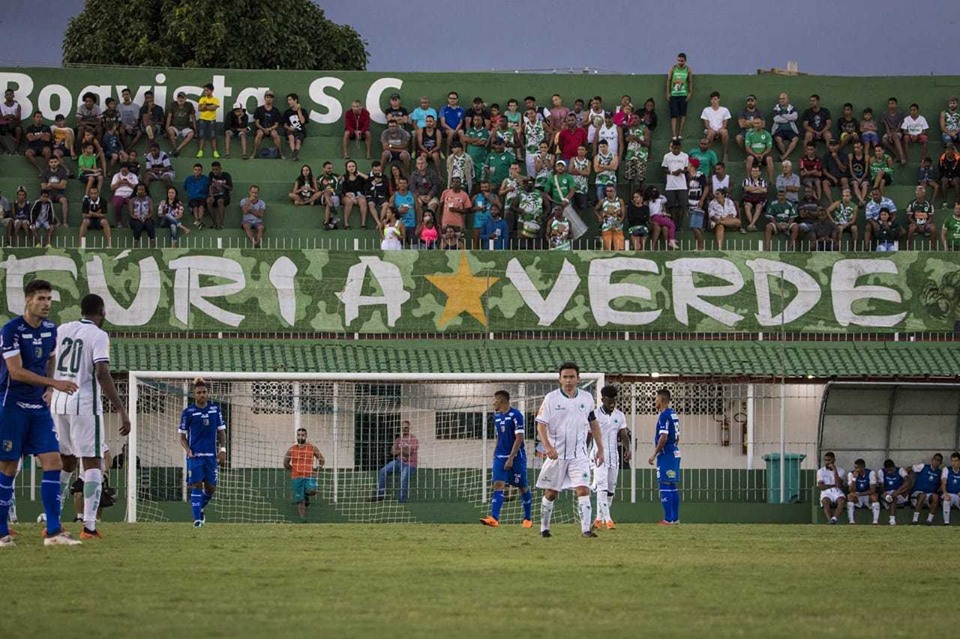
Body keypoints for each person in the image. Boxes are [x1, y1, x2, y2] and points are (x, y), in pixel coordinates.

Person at [0, 279, 81, 547]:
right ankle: (2, 532)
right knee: (9, 467)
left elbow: (50, 358)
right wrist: (54, 383)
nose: (46, 304)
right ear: (27, 300)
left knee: (54, 461)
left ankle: (53, 532)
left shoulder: (50, 329)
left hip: (38, 408)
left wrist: (47, 389)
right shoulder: (11, 330)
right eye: (41, 299)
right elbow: (15, 371)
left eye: (49, 299)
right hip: (12, 406)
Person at [49, 293, 131, 539]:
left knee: (67, 461)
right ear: (101, 312)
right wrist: (121, 409)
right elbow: (102, 372)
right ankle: (90, 527)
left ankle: (51, 520)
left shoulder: (63, 329)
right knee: (94, 462)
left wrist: (49, 388)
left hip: (58, 402)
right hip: (83, 404)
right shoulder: (98, 334)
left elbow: (50, 360)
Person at [536, 362, 604, 538]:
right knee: (551, 493)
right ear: (559, 379)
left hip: (579, 455)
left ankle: (586, 530)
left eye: (571, 377)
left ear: (578, 379)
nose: (568, 380)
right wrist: (548, 447)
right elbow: (541, 426)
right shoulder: (551, 399)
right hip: (556, 455)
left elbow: (593, 423)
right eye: (565, 377)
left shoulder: (587, 398)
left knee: (583, 489)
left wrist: (600, 448)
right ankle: (544, 528)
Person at [480, 390, 532, 528]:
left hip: (516, 458)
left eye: (495, 400)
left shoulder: (516, 415)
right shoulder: (497, 417)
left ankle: (527, 519)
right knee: (498, 484)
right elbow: (499, 437)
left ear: (502, 400)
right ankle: (494, 518)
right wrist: (495, 453)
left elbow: (519, 438)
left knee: (522, 487)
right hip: (500, 457)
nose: (493, 403)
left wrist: (511, 458)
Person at [178, 378, 227, 528]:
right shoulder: (188, 412)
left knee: (211, 488)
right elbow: (182, 436)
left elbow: (221, 432)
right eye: (199, 392)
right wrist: (188, 450)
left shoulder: (215, 410)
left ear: (208, 393)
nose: (202, 395)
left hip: (211, 456)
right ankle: (197, 520)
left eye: (204, 392)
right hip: (195, 456)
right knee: (196, 485)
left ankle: (200, 509)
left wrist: (223, 450)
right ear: (194, 394)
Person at [591, 385, 630, 530]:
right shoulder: (594, 414)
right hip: (598, 454)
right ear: (602, 400)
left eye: (614, 401)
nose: (612, 404)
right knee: (602, 486)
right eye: (609, 401)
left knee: (611, 488)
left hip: (614, 456)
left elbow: (623, 434)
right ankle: (608, 520)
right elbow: (589, 435)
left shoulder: (619, 415)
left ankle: (598, 519)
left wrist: (628, 449)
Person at [645, 388, 681, 525]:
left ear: (662, 399)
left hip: (666, 454)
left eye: (656, 398)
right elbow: (677, 437)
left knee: (664, 485)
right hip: (675, 452)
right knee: (672, 485)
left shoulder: (664, 415)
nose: (655, 400)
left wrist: (654, 454)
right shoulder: (673, 414)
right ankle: (675, 518)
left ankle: (668, 519)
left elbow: (663, 437)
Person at [283, 428, 324, 520]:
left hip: (309, 475)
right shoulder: (291, 449)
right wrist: (293, 470)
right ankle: (303, 520)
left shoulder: (312, 448)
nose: (300, 437)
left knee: (312, 491)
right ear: (297, 436)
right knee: (299, 500)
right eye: (298, 435)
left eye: (302, 435)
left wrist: (318, 469)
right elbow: (285, 463)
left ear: (306, 436)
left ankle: (306, 494)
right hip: (296, 477)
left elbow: (322, 460)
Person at [373, 421, 419, 503]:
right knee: (383, 471)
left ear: (409, 428)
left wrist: (399, 450)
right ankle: (380, 496)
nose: (404, 429)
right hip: (398, 462)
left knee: (403, 476)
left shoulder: (413, 439)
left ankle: (402, 500)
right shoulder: (398, 439)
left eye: (406, 427)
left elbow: (409, 453)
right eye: (403, 427)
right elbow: (392, 452)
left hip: (410, 464)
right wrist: (403, 450)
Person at [661, 139, 689, 231]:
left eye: (678, 148)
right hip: (670, 185)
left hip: (682, 185)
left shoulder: (685, 156)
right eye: (674, 148)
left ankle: (679, 226)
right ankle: (673, 225)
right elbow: (664, 169)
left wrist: (681, 171)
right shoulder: (667, 156)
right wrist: (672, 172)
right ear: (671, 147)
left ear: (680, 148)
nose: (676, 150)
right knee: (671, 206)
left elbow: (687, 169)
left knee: (681, 206)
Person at [666, 52, 693, 140]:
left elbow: (690, 81)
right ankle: (674, 134)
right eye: (679, 61)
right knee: (674, 115)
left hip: (683, 94)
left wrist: (690, 93)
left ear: (685, 61)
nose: (680, 62)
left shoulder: (688, 69)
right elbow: (669, 80)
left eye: (682, 61)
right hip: (674, 95)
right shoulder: (673, 68)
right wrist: (667, 93)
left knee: (682, 114)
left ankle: (680, 133)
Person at [845, 459, 880, 525]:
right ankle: (851, 521)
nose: (856, 470)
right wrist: (854, 479)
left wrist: (861, 494)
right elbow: (851, 490)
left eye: (857, 468)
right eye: (855, 467)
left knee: (875, 496)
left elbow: (873, 490)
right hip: (857, 495)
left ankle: (875, 521)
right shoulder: (851, 474)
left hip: (866, 494)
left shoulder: (871, 473)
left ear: (863, 467)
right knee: (850, 496)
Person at [878, 458, 910, 526]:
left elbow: (908, 482)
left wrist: (897, 492)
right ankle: (892, 520)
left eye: (891, 470)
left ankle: (892, 520)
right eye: (887, 470)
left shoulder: (900, 470)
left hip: (898, 492)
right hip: (886, 493)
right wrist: (886, 494)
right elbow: (881, 487)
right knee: (892, 498)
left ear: (894, 467)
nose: (889, 472)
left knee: (895, 496)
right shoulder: (881, 472)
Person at [252, 91, 285, 158]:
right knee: (259, 133)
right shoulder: (259, 109)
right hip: (261, 129)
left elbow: (276, 124)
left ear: (272, 99)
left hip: (271, 129)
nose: (269, 99)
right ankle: (254, 153)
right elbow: (257, 123)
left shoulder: (275, 111)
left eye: (270, 97)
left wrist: (269, 129)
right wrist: (263, 129)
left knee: (275, 134)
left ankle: (281, 153)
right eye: (267, 97)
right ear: (264, 98)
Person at [816, 451, 846, 524]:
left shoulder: (841, 471)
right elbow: (821, 486)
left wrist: (835, 471)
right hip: (826, 492)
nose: (827, 462)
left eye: (829, 460)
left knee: (842, 501)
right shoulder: (820, 471)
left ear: (834, 460)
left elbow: (838, 485)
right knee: (825, 501)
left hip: (837, 491)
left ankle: (834, 519)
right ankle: (829, 520)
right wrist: (833, 485)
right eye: (825, 460)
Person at [700, 91, 731, 162]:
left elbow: (725, 124)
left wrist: (719, 130)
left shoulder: (724, 110)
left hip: (720, 130)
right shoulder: (706, 110)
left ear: (719, 99)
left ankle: (725, 154)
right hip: (710, 130)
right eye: (712, 99)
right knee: (710, 132)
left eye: (715, 99)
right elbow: (706, 124)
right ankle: (708, 154)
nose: (714, 101)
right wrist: (712, 130)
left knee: (725, 132)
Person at [40, 155, 70, 226]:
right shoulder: (45, 172)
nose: (53, 164)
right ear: (49, 163)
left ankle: (65, 222)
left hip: (59, 194)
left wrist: (51, 185)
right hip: (48, 194)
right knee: (46, 201)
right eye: (51, 162)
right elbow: (43, 187)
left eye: (55, 162)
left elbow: (63, 186)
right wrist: (57, 185)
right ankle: (57, 221)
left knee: (64, 200)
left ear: (58, 162)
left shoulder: (63, 172)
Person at [165, 91, 196, 157]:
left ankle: (177, 150)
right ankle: (175, 148)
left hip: (185, 127)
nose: (180, 99)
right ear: (177, 98)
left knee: (191, 133)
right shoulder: (172, 104)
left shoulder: (189, 105)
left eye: (182, 97)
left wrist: (195, 130)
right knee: (170, 130)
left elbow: (193, 117)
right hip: (174, 126)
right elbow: (169, 116)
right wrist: (166, 128)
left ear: (185, 99)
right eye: (179, 97)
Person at [595, 184, 625, 250]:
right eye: (607, 191)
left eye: (611, 191)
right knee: (606, 248)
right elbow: (596, 209)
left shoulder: (619, 201)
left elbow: (623, 215)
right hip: (606, 226)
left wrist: (619, 222)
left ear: (615, 191)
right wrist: (599, 217)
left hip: (617, 227)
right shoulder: (603, 201)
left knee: (619, 248)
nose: (609, 193)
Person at [744, 117, 775, 183]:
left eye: (758, 123)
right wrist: (755, 154)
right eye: (755, 123)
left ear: (762, 124)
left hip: (764, 154)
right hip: (753, 154)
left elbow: (769, 147)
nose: (756, 125)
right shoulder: (749, 134)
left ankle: (770, 180)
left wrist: (762, 154)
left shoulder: (767, 134)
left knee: (769, 159)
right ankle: (749, 179)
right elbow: (747, 147)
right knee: (749, 158)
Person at [771, 92, 800, 160]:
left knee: (795, 139)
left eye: (783, 98)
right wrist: (789, 118)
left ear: (787, 100)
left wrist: (782, 115)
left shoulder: (793, 108)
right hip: (779, 130)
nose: (781, 100)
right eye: (780, 99)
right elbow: (776, 119)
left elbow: (794, 117)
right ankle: (785, 155)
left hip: (790, 130)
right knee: (778, 139)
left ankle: (784, 156)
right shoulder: (776, 109)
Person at [341, 160, 369, 229]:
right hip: (347, 195)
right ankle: (346, 223)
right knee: (349, 202)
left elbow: (368, 179)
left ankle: (363, 224)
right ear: (346, 168)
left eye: (353, 166)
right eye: (349, 166)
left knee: (363, 201)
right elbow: (343, 189)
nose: (351, 168)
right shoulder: (344, 177)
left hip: (359, 194)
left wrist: (360, 173)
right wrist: (348, 195)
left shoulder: (359, 176)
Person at [206, 161, 233, 230]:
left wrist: (222, 184)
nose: (215, 171)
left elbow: (231, 188)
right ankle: (214, 222)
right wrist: (211, 196)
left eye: (216, 169)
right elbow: (210, 186)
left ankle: (220, 223)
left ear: (220, 168)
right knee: (209, 201)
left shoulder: (226, 175)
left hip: (224, 195)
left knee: (220, 201)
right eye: (213, 169)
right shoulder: (211, 174)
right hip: (214, 195)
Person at [196, 83, 220, 159]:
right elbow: (199, 109)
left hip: (212, 120)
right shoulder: (202, 99)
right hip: (202, 119)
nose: (205, 92)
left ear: (212, 91)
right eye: (205, 90)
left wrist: (205, 107)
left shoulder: (216, 99)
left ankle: (215, 152)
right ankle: (200, 151)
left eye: (207, 90)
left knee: (213, 136)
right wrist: (209, 107)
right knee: (202, 136)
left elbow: (214, 108)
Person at [110, 162, 138, 227]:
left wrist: (128, 183)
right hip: (119, 194)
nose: (124, 170)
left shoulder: (133, 176)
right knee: (117, 203)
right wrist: (119, 182)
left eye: (125, 169)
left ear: (128, 169)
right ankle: (119, 222)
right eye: (122, 168)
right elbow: (112, 188)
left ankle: (131, 221)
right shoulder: (116, 176)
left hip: (130, 194)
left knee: (131, 202)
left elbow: (137, 188)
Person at [820, 139, 849, 203]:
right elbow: (824, 171)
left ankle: (845, 201)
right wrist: (832, 178)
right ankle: (831, 202)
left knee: (845, 180)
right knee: (824, 182)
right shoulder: (826, 156)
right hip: (830, 177)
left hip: (841, 176)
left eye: (834, 145)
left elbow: (843, 169)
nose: (832, 147)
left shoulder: (843, 155)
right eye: (831, 145)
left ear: (838, 146)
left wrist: (836, 158)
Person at [24, 111, 52, 175]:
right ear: (34, 118)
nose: (39, 119)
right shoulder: (30, 128)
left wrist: (34, 136)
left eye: (40, 117)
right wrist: (41, 135)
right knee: (27, 153)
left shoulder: (46, 127)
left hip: (43, 146)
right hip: (33, 147)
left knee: (48, 151)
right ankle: (40, 169)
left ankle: (46, 170)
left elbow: (47, 139)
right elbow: (30, 139)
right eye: (37, 117)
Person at [741, 166, 767, 232]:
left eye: (756, 171)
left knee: (759, 206)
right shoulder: (746, 180)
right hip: (749, 198)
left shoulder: (763, 181)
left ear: (759, 172)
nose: (754, 172)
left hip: (759, 198)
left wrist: (752, 189)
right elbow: (746, 189)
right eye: (753, 171)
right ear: (751, 172)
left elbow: (764, 190)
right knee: (747, 206)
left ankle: (751, 224)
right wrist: (758, 188)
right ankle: (752, 225)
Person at [282, 93, 308, 161]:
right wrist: (289, 128)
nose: (289, 102)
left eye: (290, 100)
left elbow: (302, 122)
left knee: (298, 141)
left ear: (295, 100)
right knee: (291, 137)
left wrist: (298, 110)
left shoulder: (303, 111)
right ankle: (294, 154)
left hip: (300, 130)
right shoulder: (287, 112)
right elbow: (284, 124)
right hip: (290, 130)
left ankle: (294, 154)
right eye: (288, 100)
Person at [881, 97, 907, 165]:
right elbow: (886, 125)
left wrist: (894, 133)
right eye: (889, 103)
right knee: (884, 140)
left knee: (895, 136)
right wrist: (889, 134)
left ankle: (902, 157)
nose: (891, 105)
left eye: (893, 103)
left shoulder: (900, 114)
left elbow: (900, 125)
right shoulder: (884, 114)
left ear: (896, 104)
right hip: (889, 132)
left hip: (897, 132)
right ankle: (897, 154)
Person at [184, 163, 210, 229]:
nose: (197, 171)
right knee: (195, 207)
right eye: (195, 170)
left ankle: (199, 222)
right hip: (192, 198)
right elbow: (185, 188)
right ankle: (198, 222)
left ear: (201, 171)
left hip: (202, 197)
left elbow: (209, 188)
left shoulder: (205, 179)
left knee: (201, 207)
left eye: (199, 170)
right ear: (193, 170)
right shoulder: (188, 179)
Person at [318, 162, 342, 229]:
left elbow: (339, 189)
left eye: (331, 168)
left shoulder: (336, 177)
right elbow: (319, 190)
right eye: (328, 168)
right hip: (323, 197)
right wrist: (326, 191)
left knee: (330, 201)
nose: (331, 170)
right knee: (326, 192)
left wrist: (331, 192)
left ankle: (326, 222)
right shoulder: (319, 178)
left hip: (334, 196)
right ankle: (334, 216)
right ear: (323, 169)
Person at [939, 452, 960, 526]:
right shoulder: (946, 469)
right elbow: (943, 483)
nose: (953, 463)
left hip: (957, 495)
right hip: (948, 493)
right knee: (946, 499)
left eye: (956, 461)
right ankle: (946, 523)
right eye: (952, 461)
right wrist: (945, 493)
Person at [0, 88, 23, 153]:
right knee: (3, 130)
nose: (9, 96)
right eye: (7, 95)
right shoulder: (1, 106)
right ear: (5, 96)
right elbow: (2, 118)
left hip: (14, 124)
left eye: (10, 94)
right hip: (5, 125)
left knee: (18, 129)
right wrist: (12, 116)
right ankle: (5, 149)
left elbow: (18, 118)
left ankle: (16, 148)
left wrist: (8, 116)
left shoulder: (17, 105)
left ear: (13, 95)